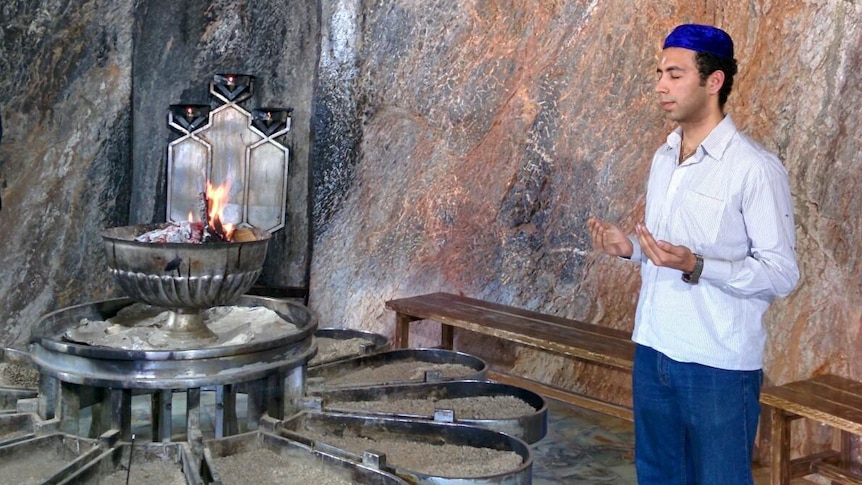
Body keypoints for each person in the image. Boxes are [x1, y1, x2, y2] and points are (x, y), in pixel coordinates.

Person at [587, 24, 799, 485]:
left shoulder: (755, 169)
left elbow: (782, 273)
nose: (661, 85)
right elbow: (668, 253)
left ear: (714, 81)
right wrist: (631, 251)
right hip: (654, 349)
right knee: (658, 476)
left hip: (718, 365)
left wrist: (698, 265)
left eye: (676, 74)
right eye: (660, 72)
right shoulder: (663, 158)